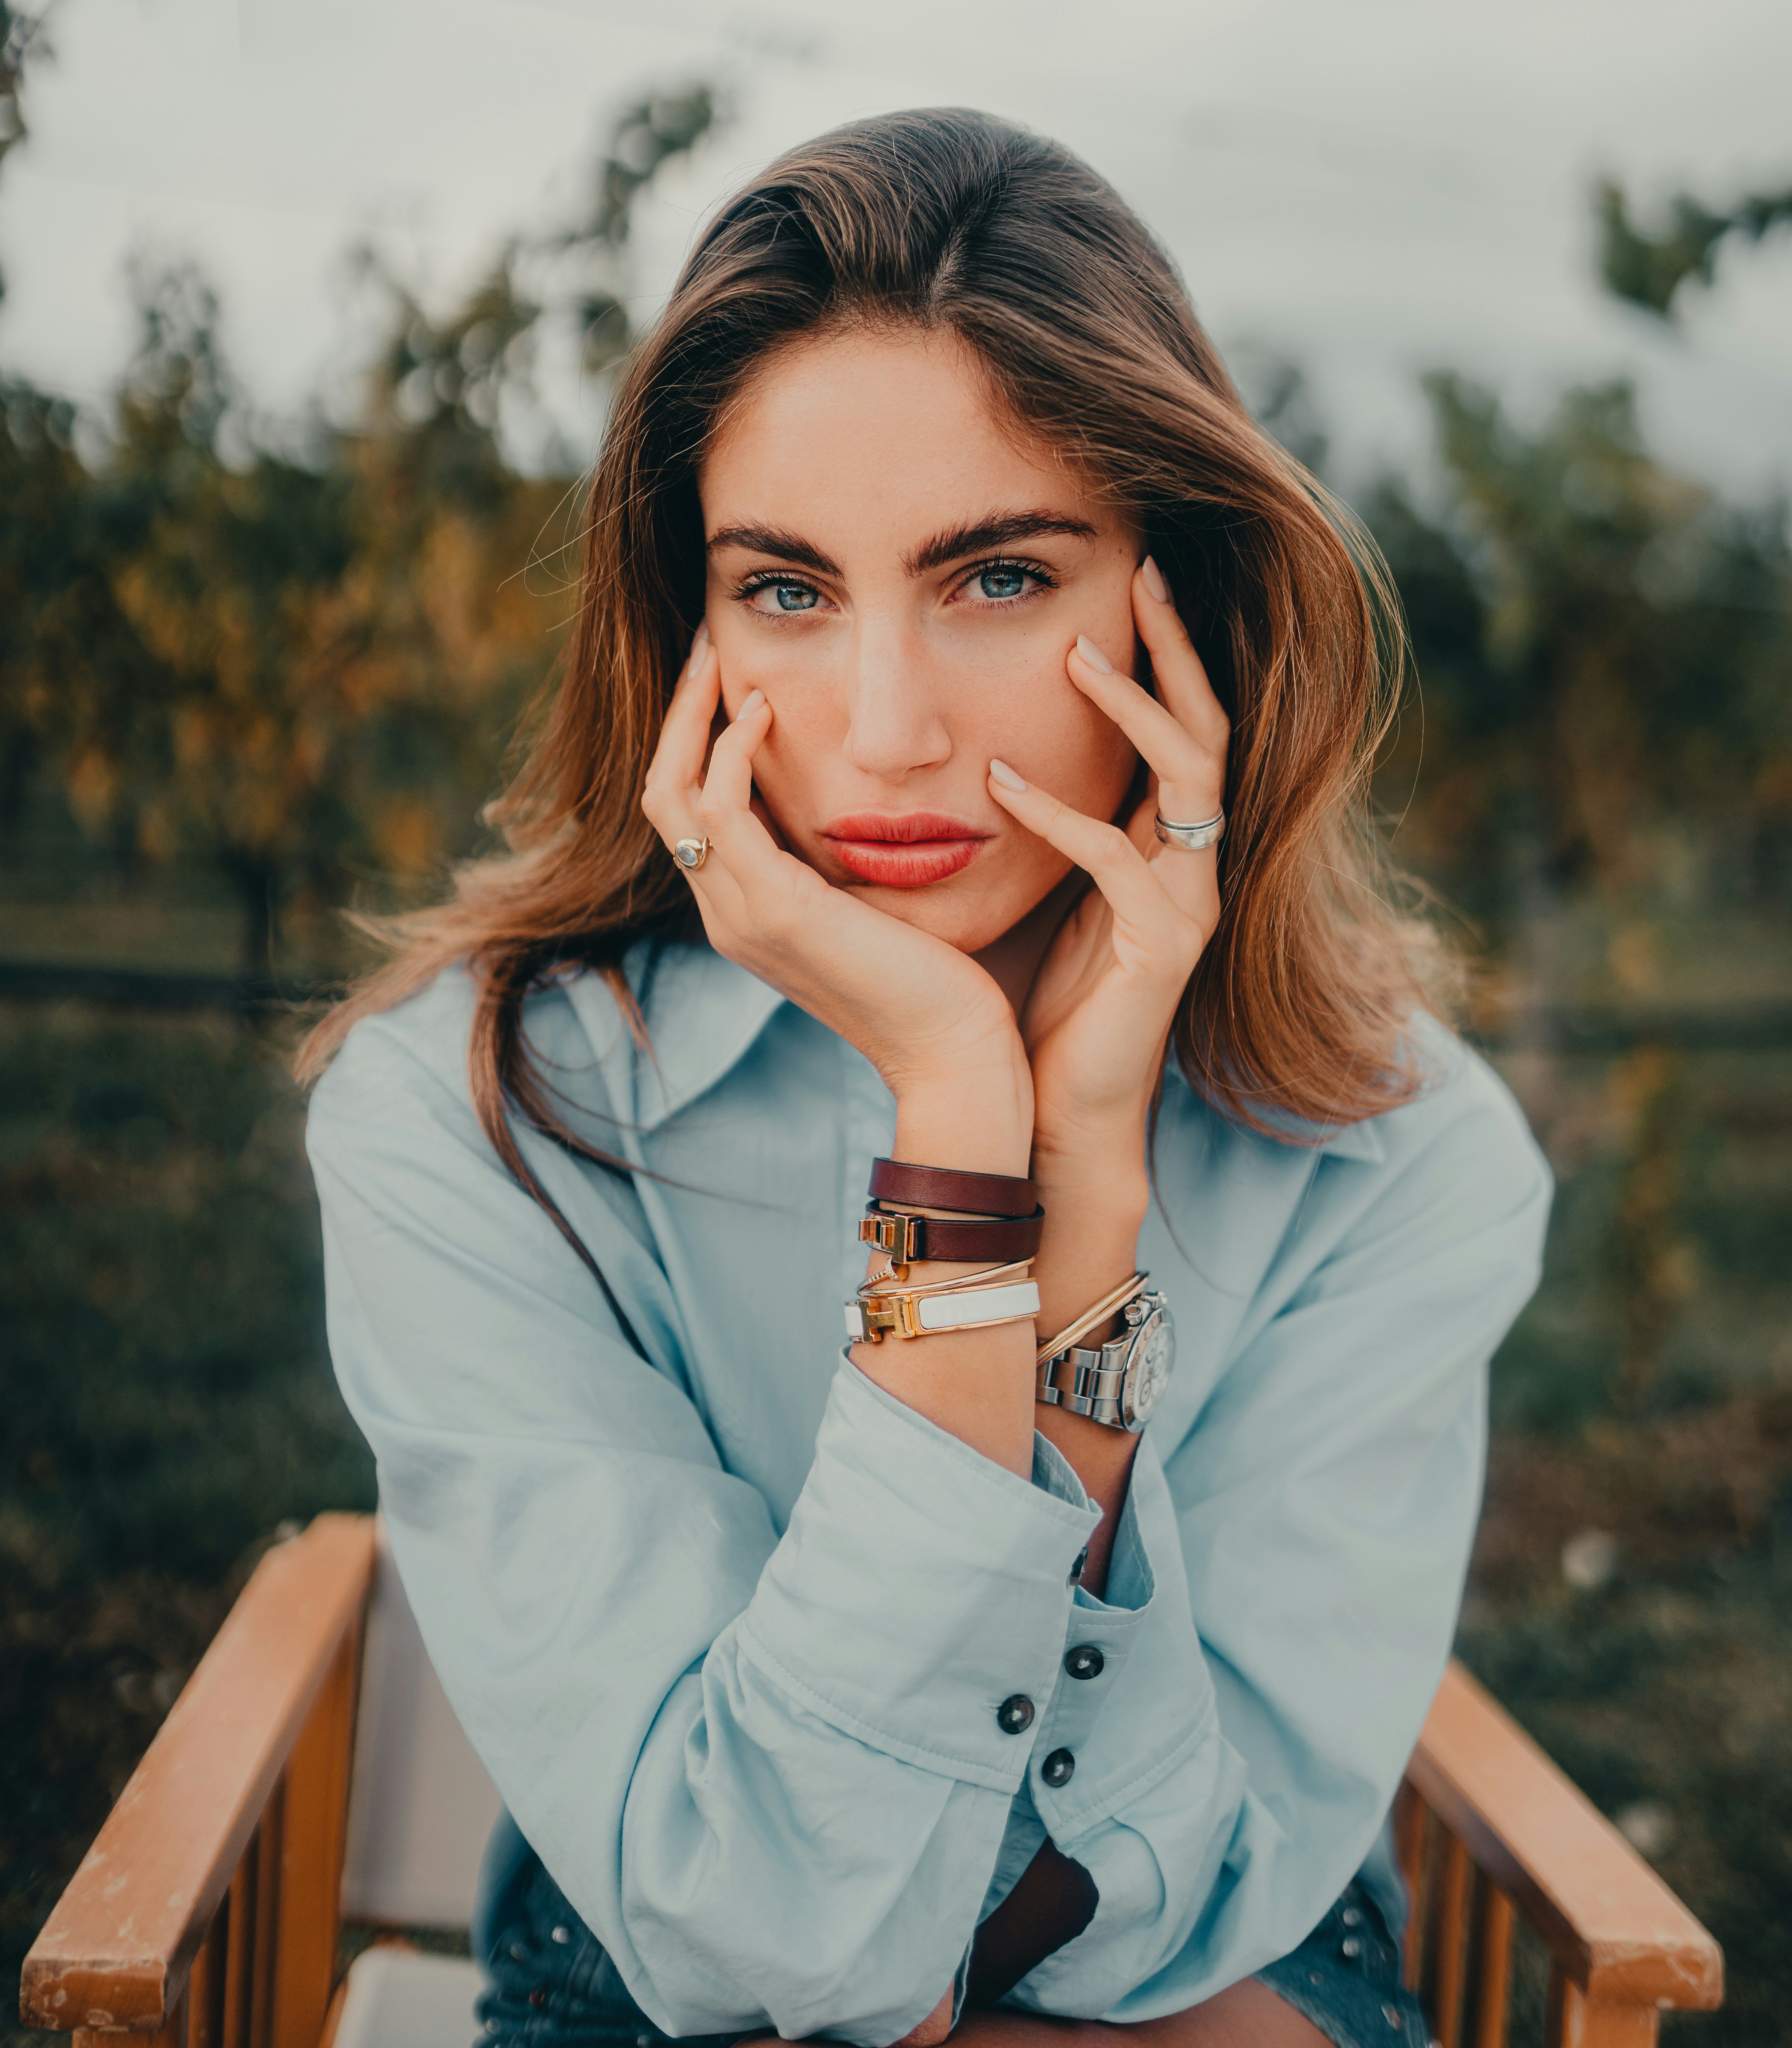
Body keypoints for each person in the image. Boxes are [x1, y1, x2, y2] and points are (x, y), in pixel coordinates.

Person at [301, 109, 1550, 2048]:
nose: (882, 731)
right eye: (785, 589)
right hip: (660, 1983)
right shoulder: (472, 1120)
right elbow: (767, 1936)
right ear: (685, 633)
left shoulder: (1400, 1160)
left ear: (1178, 608)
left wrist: (1101, 1175)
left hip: (1213, 1976)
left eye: (993, 578)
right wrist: (968, 1142)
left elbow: (1146, 1937)